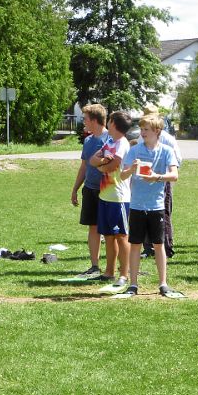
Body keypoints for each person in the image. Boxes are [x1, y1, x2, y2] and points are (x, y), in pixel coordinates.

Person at [119, 114, 180, 297]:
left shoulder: (166, 151)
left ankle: (163, 284)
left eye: (146, 129)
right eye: (142, 129)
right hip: (137, 205)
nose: (142, 133)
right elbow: (122, 175)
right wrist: (131, 169)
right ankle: (133, 284)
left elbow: (174, 175)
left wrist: (157, 177)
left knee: (159, 245)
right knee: (135, 245)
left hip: (157, 206)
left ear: (157, 131)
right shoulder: (135, 150)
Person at [90, 110, 131, 287]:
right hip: (105, 195)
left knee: (121, 236)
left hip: (119, 198)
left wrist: (101, 165)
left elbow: (112, 166)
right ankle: (109, 272)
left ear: (113, 123)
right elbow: (92, 160)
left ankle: (124, 274)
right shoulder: (109, 141)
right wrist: (101, 163)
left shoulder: (122, 143)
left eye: (110, 120)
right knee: (108, 235)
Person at [71, 103, 109, 277]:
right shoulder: (88, 141)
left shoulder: (111, 139)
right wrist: (75, 189)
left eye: (85, 119)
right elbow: (84, 166)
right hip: (90, 189)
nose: (83, 122)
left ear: (94, 120)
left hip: (108, 191)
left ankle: (117, 267)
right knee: (93, 228)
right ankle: (95, 266)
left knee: (110, 231)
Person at [141, 105, 181, 259]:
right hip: (144, 182)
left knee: (163, 213)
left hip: (163, 182)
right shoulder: (142, 136)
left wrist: (162, 174)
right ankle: (148, 247)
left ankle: (166, 247)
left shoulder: (168, 139)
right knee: (144, 212)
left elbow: (177, 161)